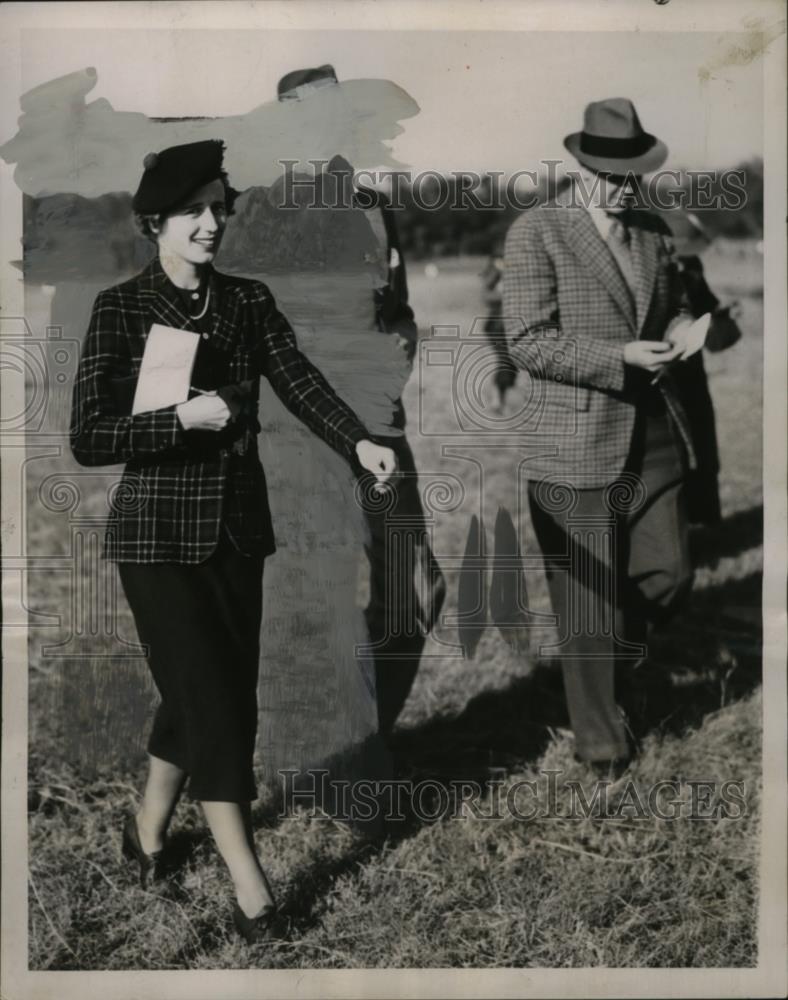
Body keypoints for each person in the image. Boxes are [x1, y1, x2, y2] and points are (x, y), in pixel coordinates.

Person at [69, 139, 397, 942]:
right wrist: (179, 419)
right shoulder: (120, 306)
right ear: (154, 222)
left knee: (202, 694)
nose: (212, 223)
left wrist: (358, 443)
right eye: (193, 211)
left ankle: (147, 829)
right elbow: (87, 435)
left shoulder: (247, 302)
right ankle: (252, 888)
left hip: (238, 531)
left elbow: (300, 377)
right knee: (218, 703)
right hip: (154, 538)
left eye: (220, 208)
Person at [503, 98, 697, 773]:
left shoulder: (649, 229)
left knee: (670, 571)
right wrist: (618, 357)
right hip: (573, 442)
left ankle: (619, 661)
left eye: (632, 175)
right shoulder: (537, 231)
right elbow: (527, 341)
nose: (623, 189)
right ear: (580, 167)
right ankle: (601, 743)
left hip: (653, 429)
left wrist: (679, 335)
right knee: (585, 597)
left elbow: (671, 307)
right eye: (610, 177)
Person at [266, 64, 445, 740]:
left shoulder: (371, 202)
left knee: (415, 592)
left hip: (380, 429)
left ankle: (365, 732)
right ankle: (343, 756)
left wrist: (397, 356)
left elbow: (397, 312)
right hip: (302, 437)